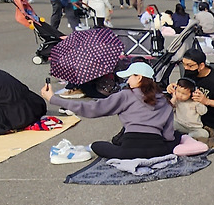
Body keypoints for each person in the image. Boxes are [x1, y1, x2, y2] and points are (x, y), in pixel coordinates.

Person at [42, 61, 177, 159]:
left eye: (130, 77)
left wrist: (54, 99)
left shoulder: (126, 95)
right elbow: (168, 136)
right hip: (158, 150)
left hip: (129, 150)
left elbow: (92, 109)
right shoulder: (165, 100)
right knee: (179, 136)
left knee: (96, 145)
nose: (127, 81)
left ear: (139, 77)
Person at [178, 45, 214, 149]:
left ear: (201, 66)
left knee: (202, 135)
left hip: (208, 122)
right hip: (190, 116)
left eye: (190, 65)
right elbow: (184, 88)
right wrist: (174, 88)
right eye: (184, 64)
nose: (186, 68)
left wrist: (207, 101)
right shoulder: (190, 72)